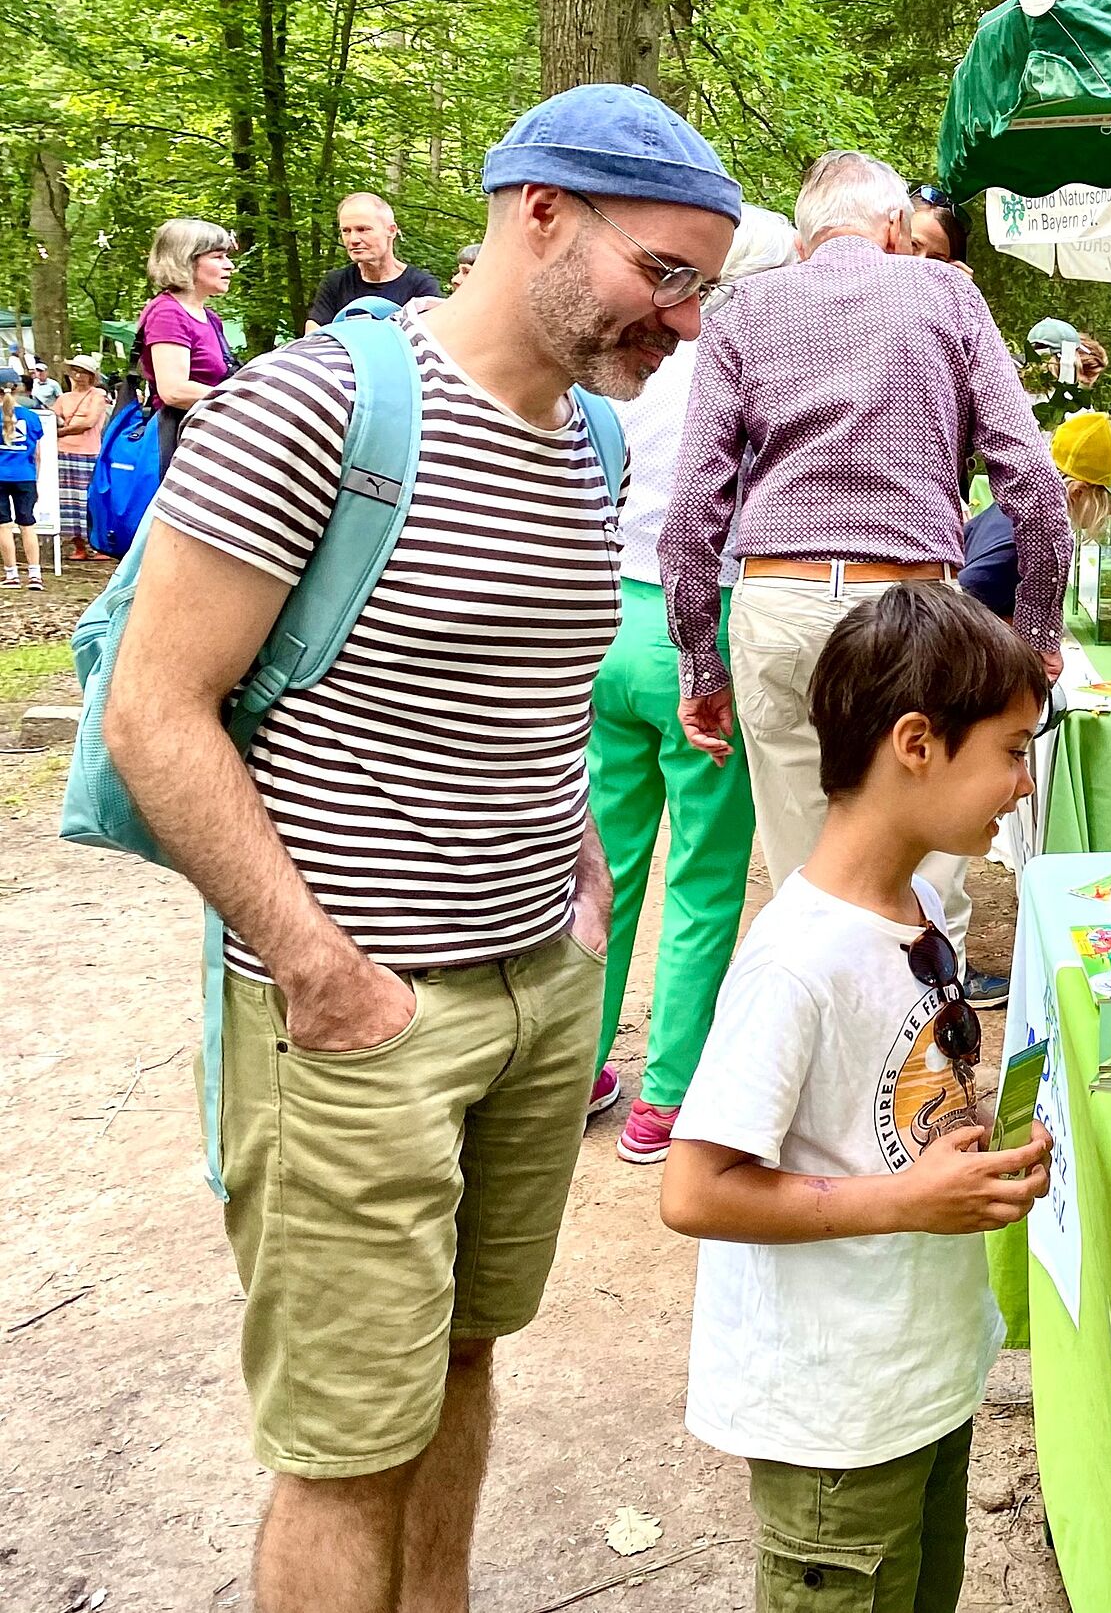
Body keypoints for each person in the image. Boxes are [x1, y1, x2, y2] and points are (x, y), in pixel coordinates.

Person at [103, 82, 741, 1613]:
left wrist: (581, 865)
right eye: (667, 275)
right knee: (344, 1441)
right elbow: (155, 711)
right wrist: (318, 971)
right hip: (355, 1013)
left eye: (706, 288)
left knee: (459, 1360)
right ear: (541, 218)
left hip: (535, 997)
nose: (688, 322)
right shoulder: (317, 403)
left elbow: (519, 682)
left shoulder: (588, 438)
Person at [660, 582, 1054, 1613]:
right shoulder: (797, 961)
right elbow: (695, 1190)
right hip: (835, 1425)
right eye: (1011, 751)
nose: (1021, 783)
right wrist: (907, 1202)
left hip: (918, 1382)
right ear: (917, 741)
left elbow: (890, 1111)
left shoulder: (911, 901)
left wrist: (975, 1160)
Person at [661, 150, 1071, 1000]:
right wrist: (1036, 634)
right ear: (894, 227)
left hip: (778, 601)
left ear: (805, 239)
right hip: (912, 610)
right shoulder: (947, 294)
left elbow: (692, 511)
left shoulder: (742, 309)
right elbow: (1032, 479)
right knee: (928, 873)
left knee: (811, 882)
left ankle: (820, 1109)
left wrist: (700, 667)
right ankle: (920, 1090)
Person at [589, 204, 796, 1167]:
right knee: (707, 875)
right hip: (699, 626)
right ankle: (667, 1095)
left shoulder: (644, 371)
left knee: (606, 865)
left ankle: (576, 1065)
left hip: (609, 626)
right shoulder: (758, 376)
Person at [137, 217, 239, 473]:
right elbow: (174, 391)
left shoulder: (209, 317)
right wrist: (244, 398)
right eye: (218, 257)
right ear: (186, 260)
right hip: (179, 444)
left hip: (204, 436)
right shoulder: (168, 313)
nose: (230, 265)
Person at [305, 192, 444, 332]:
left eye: (363, 229)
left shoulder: (421, 287)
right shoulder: (336, 283)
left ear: (391, 230)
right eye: (346, 231)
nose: (353, 239)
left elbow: (432, 341)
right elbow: (313, 332)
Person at [55, 354, 110, 561]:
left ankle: (99, 545)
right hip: (63, 452)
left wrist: (62, 431)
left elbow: (89, 422)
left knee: (90, 499)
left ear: (91, 376)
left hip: (88, 452)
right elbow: (53, 417)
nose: (78, 376)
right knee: (67, 501)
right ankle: (78, 546)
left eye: (83, 372)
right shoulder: (63, 398)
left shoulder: (97, 395)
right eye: (75, 371)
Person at [0, 369, 41, 590]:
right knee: (28, 523)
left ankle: (11, 574)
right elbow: (37, 454)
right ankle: (35, 575)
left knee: (3, 526)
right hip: (25, 475)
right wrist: (37, 479)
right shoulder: (32, 417)